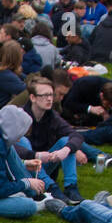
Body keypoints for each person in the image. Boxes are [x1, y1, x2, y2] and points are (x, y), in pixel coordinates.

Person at [17, 74, 85, 204]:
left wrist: (66, 149)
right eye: (44, 95)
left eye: (51, 95)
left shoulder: (52, 116)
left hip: (45, 164)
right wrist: (35, 155)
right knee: (23, 141)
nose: (49, 99)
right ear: (33, 98)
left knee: (66, 141)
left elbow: (76, 135)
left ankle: (71, 188)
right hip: (23, 167)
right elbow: (6, 144)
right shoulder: (20, 116)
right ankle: (51, 188)